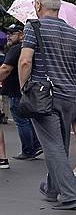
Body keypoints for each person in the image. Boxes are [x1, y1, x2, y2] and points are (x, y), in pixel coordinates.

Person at [18, 0, 76, 210]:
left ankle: (70, 195)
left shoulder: (33, 28)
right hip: (69, 97)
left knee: (53, 146)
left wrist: (23, 87)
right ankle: (51, 188)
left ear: (37, 6)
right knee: (60, 143)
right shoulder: (75, 34)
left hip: (44, 96)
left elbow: (25, 61)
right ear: (59, 8)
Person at [1, 24, 42, 160]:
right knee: (28, 119)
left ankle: (28, 149)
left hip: (16, 90)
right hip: (28, 89)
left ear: (21, 34)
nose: (9, 36)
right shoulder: (31, 48)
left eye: (12, 33)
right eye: (8, 33)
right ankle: (35, 145)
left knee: (21, 120)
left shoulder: (16, 49)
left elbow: (5, 69)